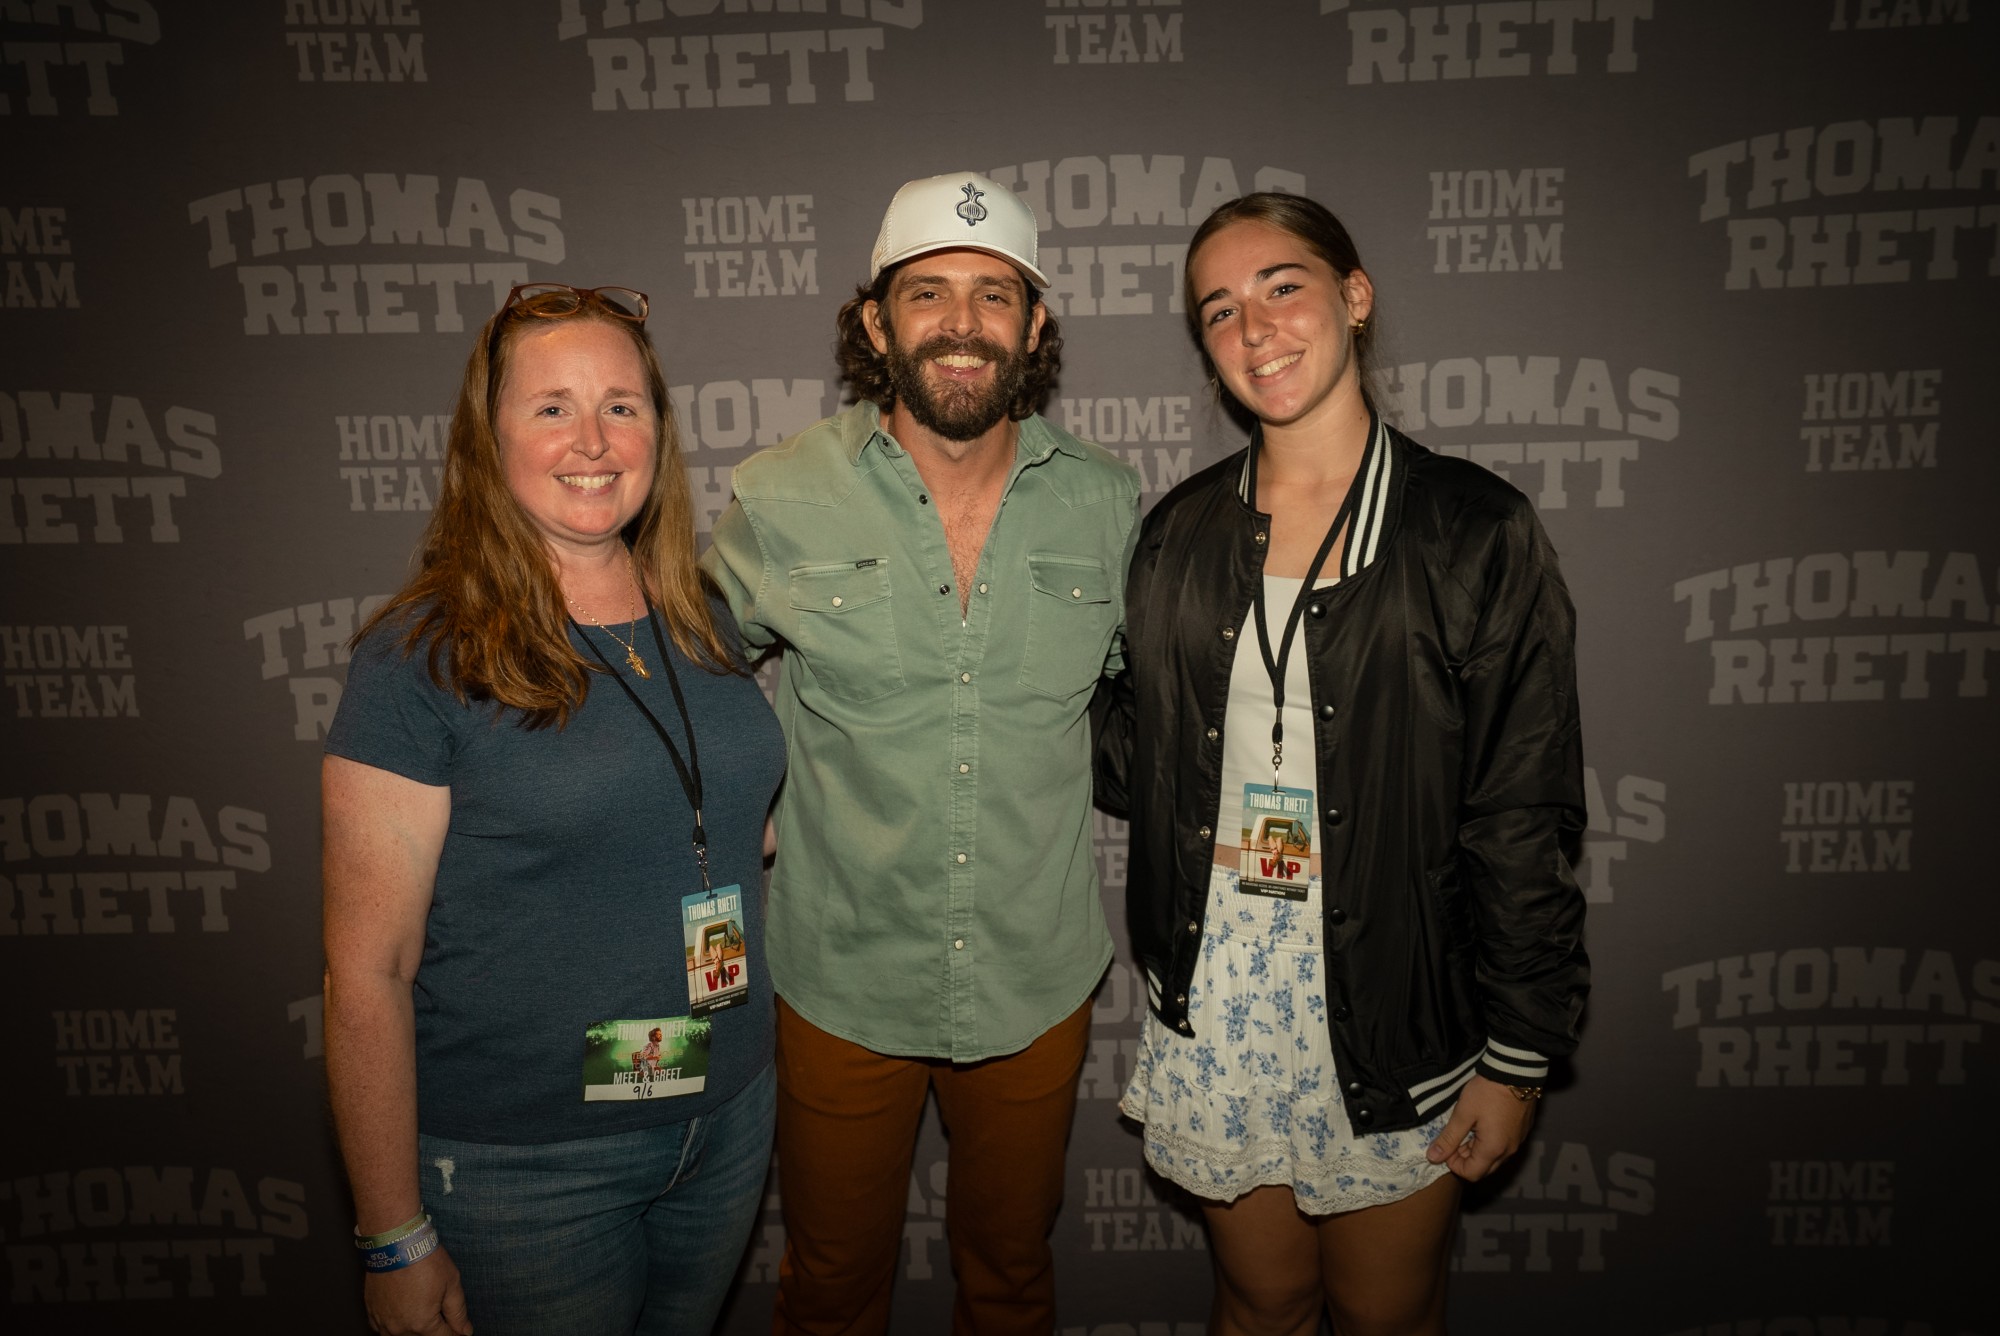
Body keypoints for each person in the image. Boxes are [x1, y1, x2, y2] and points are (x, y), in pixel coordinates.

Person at [1097, 193, 1588, 1336]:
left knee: (1382, 1312)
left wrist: (1518, 1054)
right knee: (1259, 1300)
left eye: (1282, 287)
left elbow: (1520, 806)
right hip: (1223, 984)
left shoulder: (1471, 528)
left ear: (1353, 297)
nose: (1254, 328)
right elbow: (1131, 762)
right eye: (1219, 310)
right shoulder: (1177, 531)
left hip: (1393, 994)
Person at [701, 172, 1141, 1334]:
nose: (960, 322)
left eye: (993, 294)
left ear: (1033, 326)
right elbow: (682, 674)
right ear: (875, 321)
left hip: (1032, 978)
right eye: (927, 292)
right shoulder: (782, 493)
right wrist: (732, 805)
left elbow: (1167, 705)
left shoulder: (1107, 504)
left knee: (1011, 1282)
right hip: (840, 979)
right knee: (829, 1291)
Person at [322, 283, 785, 1336]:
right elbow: (367, 973)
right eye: (551, 408)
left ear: (658, 431)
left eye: (621, 405)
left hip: (723, 1118)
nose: (593, 441)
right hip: (528, 1168)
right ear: (488, 440)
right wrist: (393, 1233)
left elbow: (725, 820)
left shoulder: (702, 617)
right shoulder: (420, 659)